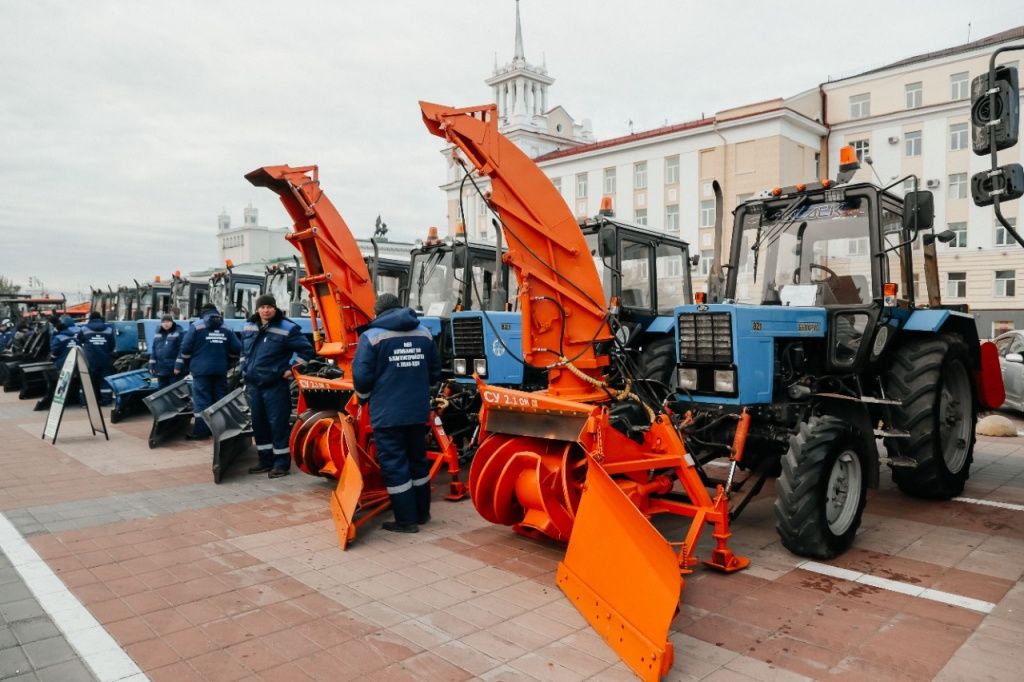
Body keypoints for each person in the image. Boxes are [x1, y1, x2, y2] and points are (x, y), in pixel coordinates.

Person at [352, 293, 440, 533]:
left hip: (388, 413)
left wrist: (362, 397)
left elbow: (361, 376)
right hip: (417, 410)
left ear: (378, 312)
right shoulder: (423, 332)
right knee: (417, 461)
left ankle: (406, 520)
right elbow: (434, 371)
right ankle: (422, 513)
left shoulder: (371, 336)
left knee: (394, 464)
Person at [240, 294, 313, 478]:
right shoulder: (249, 325)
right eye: (262, 307)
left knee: (278, 424)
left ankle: (281, 463)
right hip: (254, 385)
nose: (266, 310)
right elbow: (244, 350)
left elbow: (307, 350)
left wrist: (291, 369)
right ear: (257, 309)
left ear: (275, 308)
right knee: (259, 423)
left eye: (269, 307)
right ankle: (265, 460)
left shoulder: (287, 328)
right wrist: (243, 367)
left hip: (275, 385)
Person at [175, 303, 240, 440]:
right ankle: (221, 430)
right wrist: (229, 362)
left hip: (201, 371)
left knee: (202, 400)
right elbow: (236, 347)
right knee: (220, 399)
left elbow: (185, 348)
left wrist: (188, 363)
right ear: (216, 312)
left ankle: (202, 432)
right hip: (220, 370)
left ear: (203, 312)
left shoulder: (196, 326)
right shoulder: (226, 327)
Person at [77, 312, 115, 403]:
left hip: (89, 359)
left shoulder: (84, 329)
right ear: (100, 318)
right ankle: (106, 400)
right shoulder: (109, 329)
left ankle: (85, 402)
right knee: (105, 379)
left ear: (90, 318)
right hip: (104, 358)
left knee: (87, 379)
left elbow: (78, 341)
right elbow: (112, 345)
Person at [149, 314, 182, 389]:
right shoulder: (158, 334)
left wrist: (178, 366)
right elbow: (154, 350)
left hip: (173, 370)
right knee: (161, 390)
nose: (166, 324)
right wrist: (151, 366)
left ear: (172, 322)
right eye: (163, 322)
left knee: (173, 391)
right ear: (161, 323)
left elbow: (181, 351)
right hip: (160, 369)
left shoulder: (179, 333)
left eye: (168, 321)